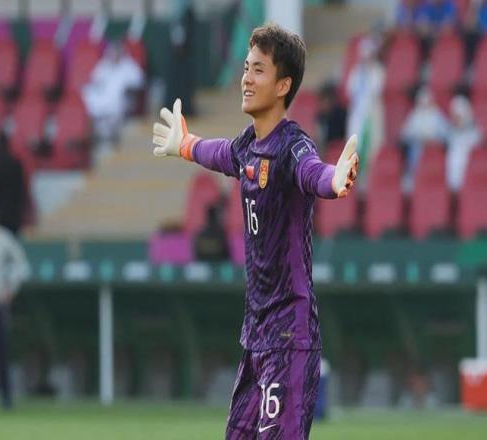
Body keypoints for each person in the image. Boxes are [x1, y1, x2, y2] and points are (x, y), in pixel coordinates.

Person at [152, 23, 358, 439]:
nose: (246, 78)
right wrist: (186, 145)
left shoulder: (292, 145)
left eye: (258, 70)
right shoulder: (248, 145)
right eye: (246, 68)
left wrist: (334, 180)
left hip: (289, 335)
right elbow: (220, 152)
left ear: (283, 85)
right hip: (256, 336)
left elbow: (312, 172)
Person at [0, 196, 30, 409]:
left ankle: (6, 398)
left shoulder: (3, 238)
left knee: (1, 351)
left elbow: (21, 266)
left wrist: (10, 289)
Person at [82, 41, 144, 141]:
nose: (114, 55)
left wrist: (128, 90)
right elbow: (95, 79)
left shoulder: (129, 65)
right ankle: (90, 131)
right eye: (112, 52)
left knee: (114, 105)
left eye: (116, 52)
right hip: (103, 95)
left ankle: (106, 132)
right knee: (87, 93)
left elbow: (138, 82)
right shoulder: (104, 64)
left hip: (119, 98)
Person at [346, 37, 384, 182]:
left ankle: (369, 178)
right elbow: (350, 90)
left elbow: (376, 90)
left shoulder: (377, 71)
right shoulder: (356, 72)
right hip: (358, 114)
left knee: (371, 147)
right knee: (356, 146)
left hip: (371, 114)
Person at [400, 87, 449, 191]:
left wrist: (434, 141)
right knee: (414, 151)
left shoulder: (437, 115)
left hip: (434, 147)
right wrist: (418, 138)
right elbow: (405, 134)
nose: (425, 105)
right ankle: (412, 179)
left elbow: (446, 133)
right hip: (418, 146)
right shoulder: (415, 115)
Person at [0, 133, 26, 235]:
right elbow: (22, 187)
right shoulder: (16, 162)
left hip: (1, 211)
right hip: (16, 210)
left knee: (3, 237)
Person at [446, 95, 482, 192]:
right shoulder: (451, 129)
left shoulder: (473, 128)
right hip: (457, 145)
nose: (457, 117)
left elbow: (478, 138)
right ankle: (455, 188)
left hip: (469, 141)